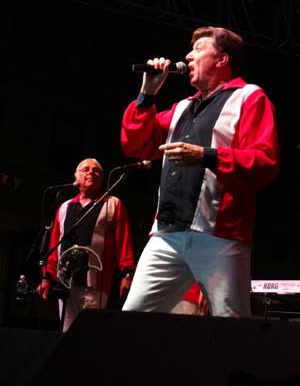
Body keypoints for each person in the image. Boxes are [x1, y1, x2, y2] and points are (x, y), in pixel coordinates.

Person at [120, 26, 279, 317]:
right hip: (166, 234)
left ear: (222, 60)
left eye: (198, 49)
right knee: (132, 319)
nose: (188, 57)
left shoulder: (249, 97)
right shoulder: (182, 108)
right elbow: (137, 146)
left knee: (230, 323)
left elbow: (264, 162)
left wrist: (207, 156)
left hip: (219, 236)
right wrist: (147, 94)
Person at [37, 158, 136, 331]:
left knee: (89, 334)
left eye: (96, 171)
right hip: (65, 284)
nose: (91, 172)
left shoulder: (113, 204)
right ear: (76, 176)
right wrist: (47, 276)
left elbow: (124, 241)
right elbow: (55, 245)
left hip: (95, 284)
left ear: (102, 179)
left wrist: (127, 274)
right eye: (86, 169)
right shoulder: (64, 207)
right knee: (66, 335)